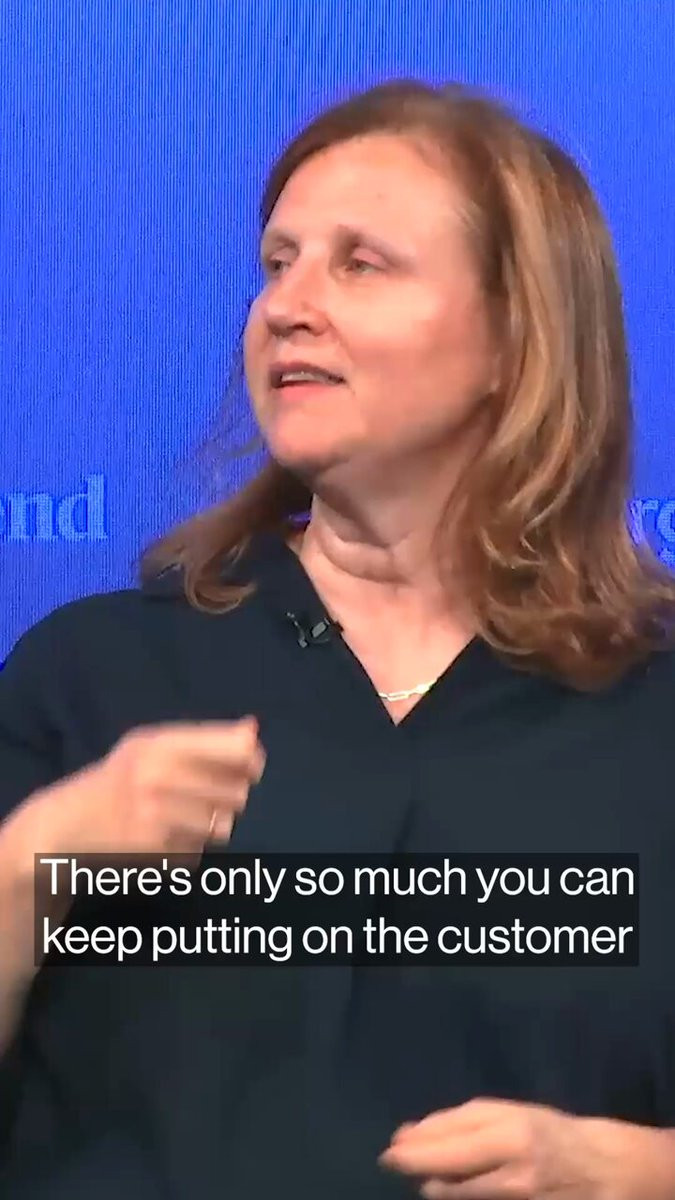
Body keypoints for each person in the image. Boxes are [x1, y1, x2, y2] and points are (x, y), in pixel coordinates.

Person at [2, 76, 675, 1200]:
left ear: (517, 336)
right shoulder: (93, 675)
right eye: (278, 264)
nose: (287, 306)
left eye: (361, 264)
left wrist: (643, 1171)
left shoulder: (651, 711)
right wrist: (33, 863)